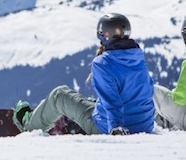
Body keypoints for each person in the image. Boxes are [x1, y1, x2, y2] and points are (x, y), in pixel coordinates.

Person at [12, 13, 155, 135]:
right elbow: (145, 91)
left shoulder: (102, 62)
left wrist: (116, 128)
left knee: (59, 95)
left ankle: (29, 125)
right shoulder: (137, 57)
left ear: (103, 35)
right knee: (93, 101)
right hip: (144, 126)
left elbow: (112, 101)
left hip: (111, 128)